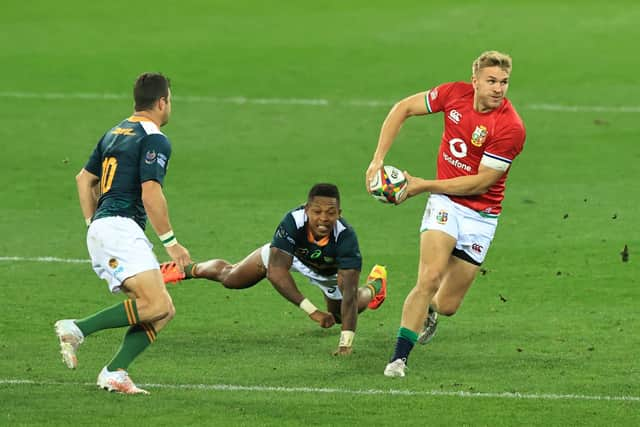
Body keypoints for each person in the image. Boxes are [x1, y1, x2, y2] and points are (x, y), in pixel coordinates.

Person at [365, 51, 526, 377]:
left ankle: (430, 311)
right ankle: (398, 360)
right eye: (492, 81)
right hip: (445, 204)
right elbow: (403, 108)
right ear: (475, 81)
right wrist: (377, 160)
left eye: (504, 82)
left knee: (447, 303)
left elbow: (481, 181)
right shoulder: (454, 94)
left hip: (481, 216)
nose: (498, 89)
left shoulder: (510, 127)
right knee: (429, 277)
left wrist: (423, 184)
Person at [54, 72, 192, 394]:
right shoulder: (154, 138)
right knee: (156, 304)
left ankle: (115, 371)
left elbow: (82, 179)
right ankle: (78, 328)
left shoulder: (115, 131)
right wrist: (171, 244)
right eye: (169, 100)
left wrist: (93, 225)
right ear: (162, 102)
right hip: (120, 227)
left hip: (106, 226)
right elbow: (150, 192)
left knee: (162, 309)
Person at [161, 183, 387, 356]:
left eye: (331, 212)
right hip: (290, 257)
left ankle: (375, 285)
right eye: (317, 211)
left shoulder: (346, 238)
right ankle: (184, 269)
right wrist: (313, 311)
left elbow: (347, 294)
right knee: (231, 278)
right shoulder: (293, 222)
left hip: (328, 275)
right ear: (307, 209)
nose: (323, 218)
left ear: (339, 213)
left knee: (344, 312)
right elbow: (277, 272)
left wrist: (345, 344)